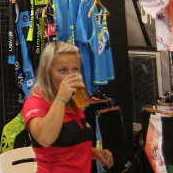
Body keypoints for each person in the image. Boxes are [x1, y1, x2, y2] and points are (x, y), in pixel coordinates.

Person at [22, 42, 113, 173]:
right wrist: (60, 99)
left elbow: (68, 146)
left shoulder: (72, 102)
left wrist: (94, 153)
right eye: (63, 70)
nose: (71, 76)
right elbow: (45, 139)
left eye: (75, 69)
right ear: (47, 73)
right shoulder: (36, 102)